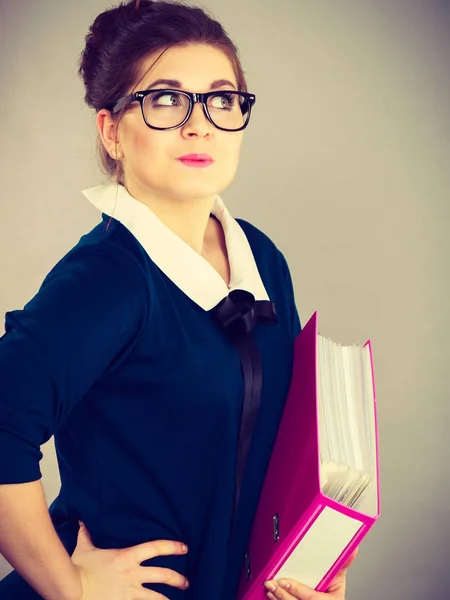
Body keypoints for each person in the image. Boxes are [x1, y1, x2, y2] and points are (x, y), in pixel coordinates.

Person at [0, 1, 358, 599]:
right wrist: (72, 589)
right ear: (111, 130)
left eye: (222, 99)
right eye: (165, 100)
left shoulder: (261, 258)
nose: (201, 126)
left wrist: (313, 555)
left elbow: (289, 442)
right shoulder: (106, 279)